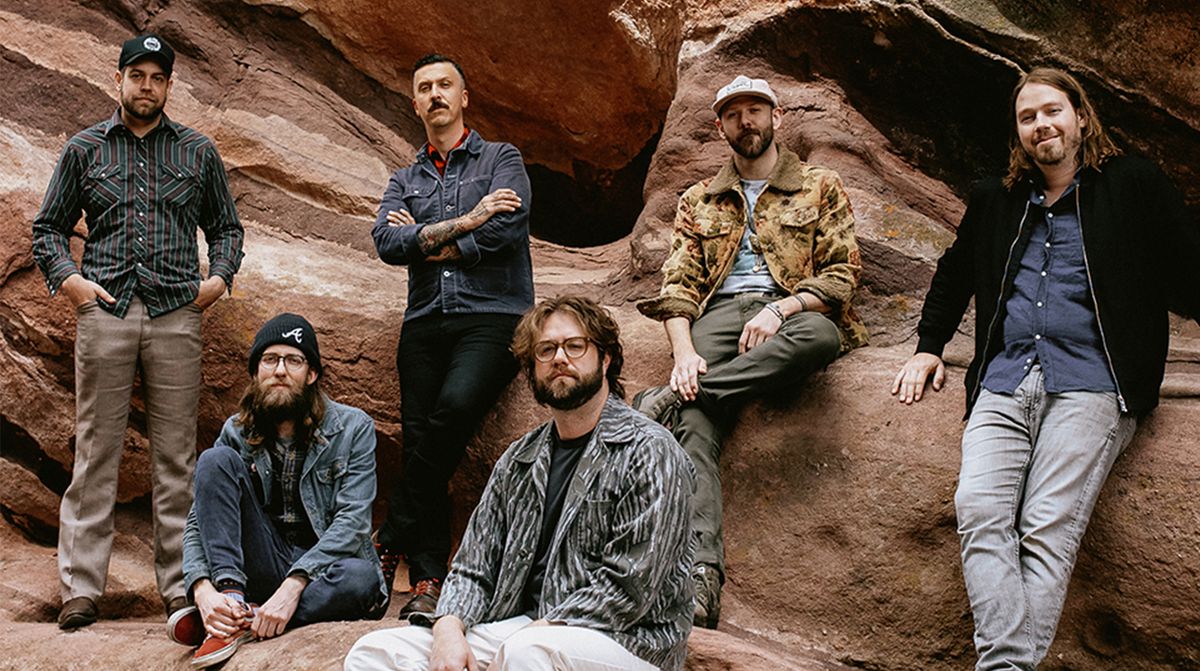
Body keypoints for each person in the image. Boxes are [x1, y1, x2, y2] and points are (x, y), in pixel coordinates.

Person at [891, 67, 1200, 670]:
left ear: (1081, 117)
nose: (1042, 125)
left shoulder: (1132, 184)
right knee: (979, 510)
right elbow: (955, 271)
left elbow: (1189, 269)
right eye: (1027, 117)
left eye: (1052, 111)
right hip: (1005, 379)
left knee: (1044, 526)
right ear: (1018, 133)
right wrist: (929, 345)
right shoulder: (997, 198)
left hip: (1094, 383)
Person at [344, 295, 695, 671]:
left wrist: (525, 638)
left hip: (627, 639)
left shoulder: (650, 450)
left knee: (526, 653)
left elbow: (631, 586)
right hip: (522, 629)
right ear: (532, 368)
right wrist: (448, 629)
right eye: (546, 350)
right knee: (375, 652)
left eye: (575, 346)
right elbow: (474, 566)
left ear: (605, 358)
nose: (559, 358)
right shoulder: (520, 459)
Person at [634, 74, 868, 628]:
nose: (746, 121)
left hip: (793, 310)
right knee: (694, 424)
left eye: (755, 110)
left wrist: (780, 310)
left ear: (776, 117)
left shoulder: (819, 184)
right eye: (734, 113)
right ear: (720, 126)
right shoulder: (699, 198)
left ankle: (675, 396)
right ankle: (700, 577)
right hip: (718, 314)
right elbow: (678, 286)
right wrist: (683, 354)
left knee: (821, 338)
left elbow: (842, 274)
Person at [30, 33, 244, 629]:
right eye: (136, 75)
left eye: (157, 77)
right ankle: (80, 589)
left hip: (178, 313)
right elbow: (48, 228)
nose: (146, 86)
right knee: (96, 450)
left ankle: (183, 586)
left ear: (169, 85)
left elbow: (227, 228)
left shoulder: (197, 152)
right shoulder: (85, 149)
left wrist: (218, 281)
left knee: (175, 457)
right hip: (106, 309)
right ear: (118, 79)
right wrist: (71, 282)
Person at [370, 53, 534, 619]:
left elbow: (508, 228)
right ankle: (428, 580)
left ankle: (389, 534)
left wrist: (424, 239)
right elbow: (387, 244)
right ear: (415, 103)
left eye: (445, 85)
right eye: (425, 88)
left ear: (464, 98)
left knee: (456, 406)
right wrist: (468, 221)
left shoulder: (501, 159)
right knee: (420, 438)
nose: (435, 94)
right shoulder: (404, 179)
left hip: (492, 314)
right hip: (424, 320)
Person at [170, 314, 386, 668]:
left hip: (321, 571)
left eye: (293, 361)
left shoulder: (353, 427)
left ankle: (241, 620)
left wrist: (293, 585)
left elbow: (354, 522)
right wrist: (202, 588)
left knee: (362, 579)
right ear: (256, 373)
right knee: (214, 460)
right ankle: (231, 599)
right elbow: (200, 521)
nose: (280, 371)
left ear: (311, 374)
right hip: (261, 560)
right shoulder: (236, 431)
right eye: (270, 360)